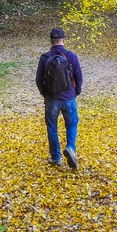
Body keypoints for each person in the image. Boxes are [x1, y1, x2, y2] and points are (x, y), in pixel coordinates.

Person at [35, 27, 83, 169]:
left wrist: (46, 94)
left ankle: (56, 158)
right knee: (72, 124)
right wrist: (75, 93)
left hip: (52, 99)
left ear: (51, 41)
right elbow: (79, 77)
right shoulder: (71, 56)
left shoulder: (45, 58)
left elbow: (38, 80)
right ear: (64, 40)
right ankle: (71, 148)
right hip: (69, 98)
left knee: (52, 127)